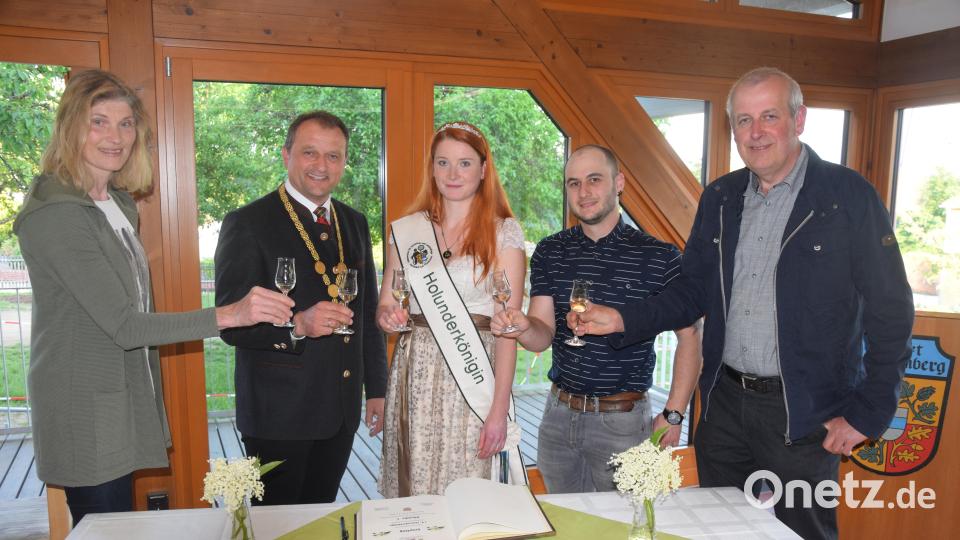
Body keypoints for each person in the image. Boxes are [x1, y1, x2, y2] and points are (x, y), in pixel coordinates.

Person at [573, 67, 914, 539]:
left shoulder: (847, 197)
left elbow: (891, 310)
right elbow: (691, 291)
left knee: (803, 533)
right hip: (724, 406)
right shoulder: (721, 197)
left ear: (798, 120)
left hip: (804, 415)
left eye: (768, 116)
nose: (755, 133)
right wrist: (624, 319)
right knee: (719, 530)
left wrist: (870, 410)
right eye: (743, 120)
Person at [12, 69, 294, 526]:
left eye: (126, 124)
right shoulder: (56, 216)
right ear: (70, 127)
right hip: (83, 405)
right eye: (99, 121)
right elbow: (124, 325)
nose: (115, 136)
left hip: (119, 396)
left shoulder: (116, 204)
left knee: (121, 523)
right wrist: (230, 314)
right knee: (104, 527)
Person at [490, 145, 701, 493]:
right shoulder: (550, 250)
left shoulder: (659, 256)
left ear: (618, 183)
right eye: (573, 183)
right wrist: (525, 327)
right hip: (558, 418)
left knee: (623, 528)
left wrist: (674, 414)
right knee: (564, 525)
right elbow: (542, 335)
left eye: (594, 180)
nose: (583, 192)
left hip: (624, 424)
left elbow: (690, 337)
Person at [214, 110, 387, 505]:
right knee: (278, 526)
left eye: (333, 156)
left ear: (344, 162)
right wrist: (298, 326)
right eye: (310, 153)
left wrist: (377, 388)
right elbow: (230, 325)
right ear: (286, 155)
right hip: (279, 415)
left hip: (341, 410)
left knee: (319, 520)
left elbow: (367, 314)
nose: (321, 166)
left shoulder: (355, 222)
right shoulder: (248, 223)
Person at [376, 122, 527, 497]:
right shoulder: (407, 231)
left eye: (464, 163)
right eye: (443, 163)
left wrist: (498, 411)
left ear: (483, 169)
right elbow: (386, 306)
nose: (453, 174)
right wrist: (388, 318)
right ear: (432, 168)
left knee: (467, 490)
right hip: (415, 375)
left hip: (473, 376)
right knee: (415, 487)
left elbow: (507, 330)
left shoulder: (503, 233)